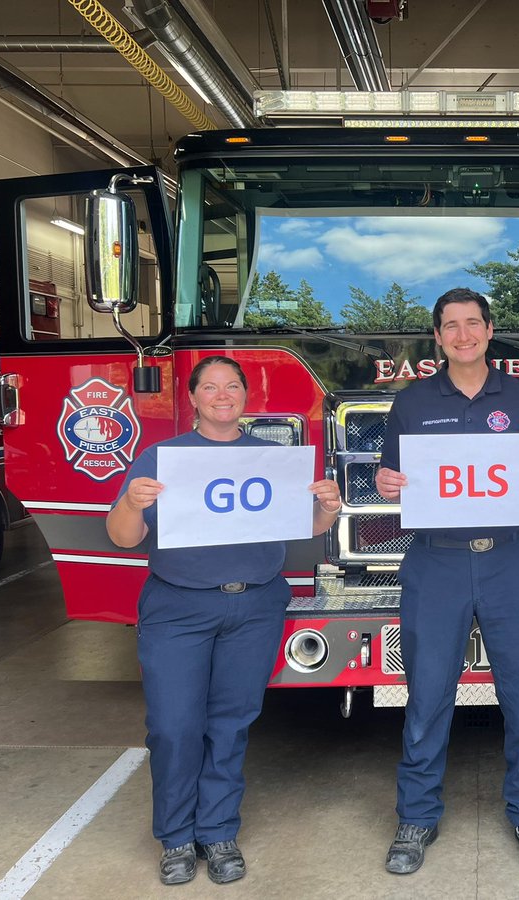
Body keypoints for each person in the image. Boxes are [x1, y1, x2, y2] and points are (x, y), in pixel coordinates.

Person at [106, 355, 342, 886]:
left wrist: (327, 508)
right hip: (177, 608)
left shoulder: (271, 457)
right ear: (191, 398)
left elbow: (303, 525)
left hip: (255, 606)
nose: (221, 395)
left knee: (230, 725)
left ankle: (217, 831)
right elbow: (124, 536)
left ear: (244, 396)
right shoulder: (161, 457)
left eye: (231, 386)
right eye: (209, 387)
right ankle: (175, 838)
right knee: (173, 727)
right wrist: (129, 501)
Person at [374, 287, 519, 877]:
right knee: (428, 693)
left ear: (490, 331)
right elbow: (392, 479)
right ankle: (416, 816)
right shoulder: (411, 403)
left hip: (511, 560)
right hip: (435, 563)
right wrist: (387, 485)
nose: (462, 335)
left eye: (472, 324)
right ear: (437, 338)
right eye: (450, 327)